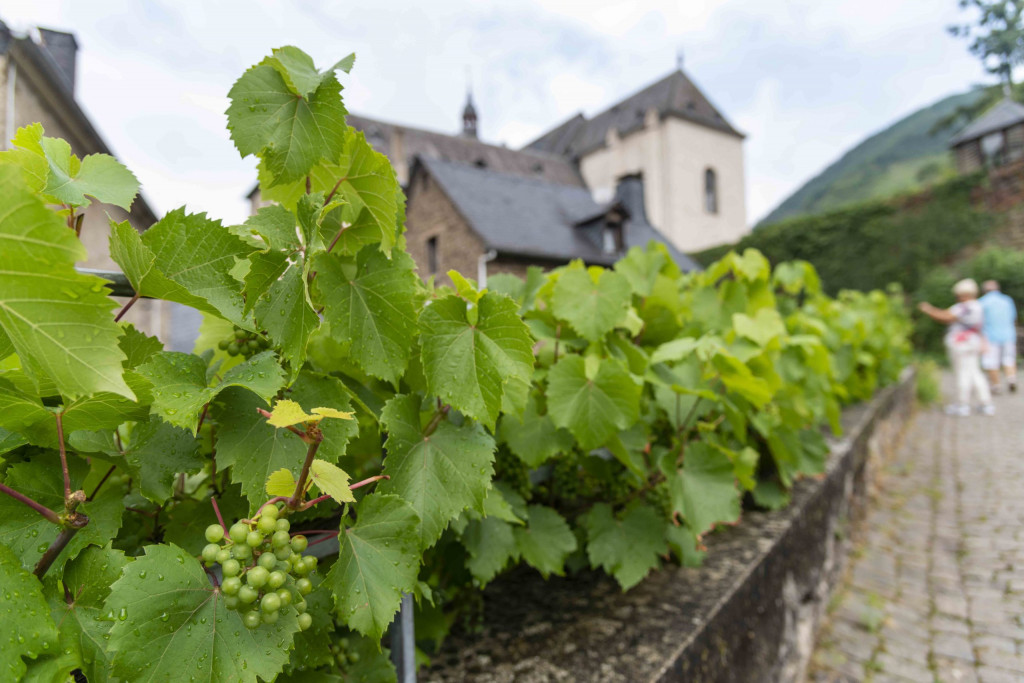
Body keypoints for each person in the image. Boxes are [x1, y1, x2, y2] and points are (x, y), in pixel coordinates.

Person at [918, 278, 994, 416]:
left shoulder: (963, 307)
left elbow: (945, 316)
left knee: (962, 373)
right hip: (974, 341)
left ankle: (962, 404)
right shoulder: (978, 306)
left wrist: (928, 309)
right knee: (975, 372)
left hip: (961, 343)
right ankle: (986, 403)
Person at [979, 279, 1018, 394]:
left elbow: (978, 321)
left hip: (990, 336)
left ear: (984, 290)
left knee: (991, 361)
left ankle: (996, 385)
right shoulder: (1007, 300)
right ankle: (1011, 379)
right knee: (1009, 359)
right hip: (1008, 335)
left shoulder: (982, 302)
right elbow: (1013, 317)